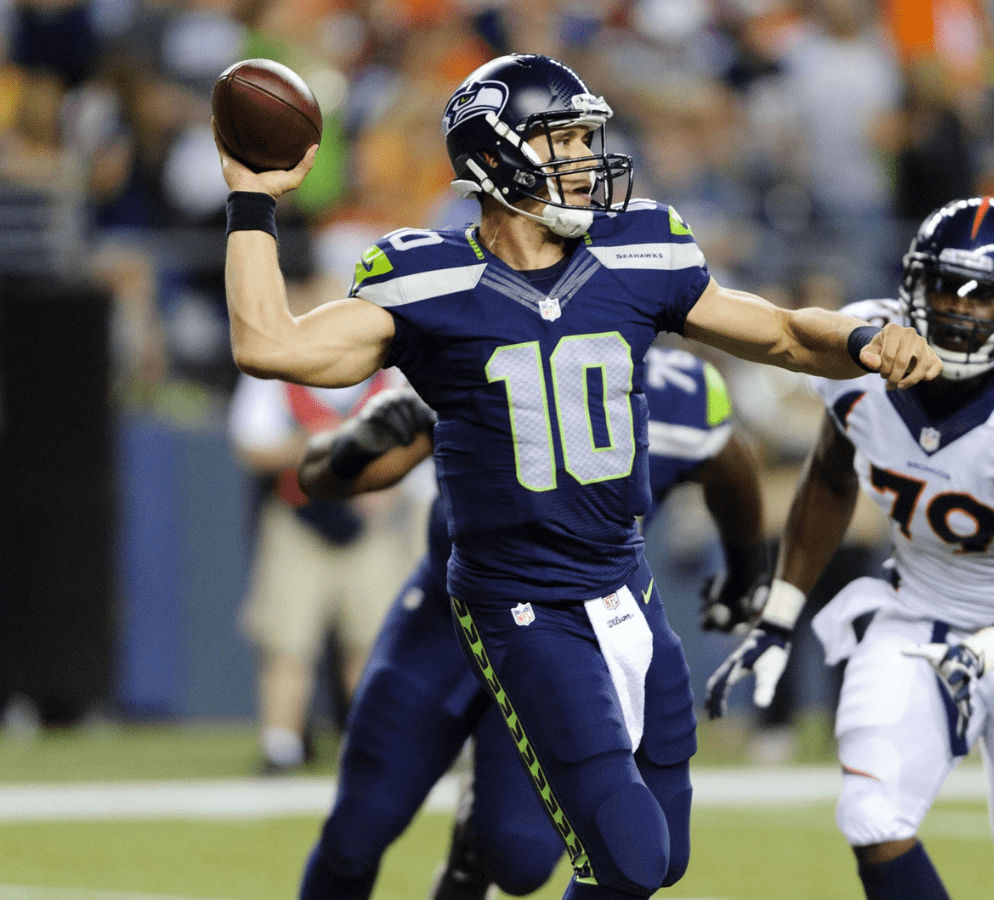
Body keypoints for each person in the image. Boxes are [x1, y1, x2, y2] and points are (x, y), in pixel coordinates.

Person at [216, 52, 939, 900]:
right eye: (558, 140)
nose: (585, 159)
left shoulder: (640, 251)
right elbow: (270, 344)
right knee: (619, 854)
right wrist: (252, 199)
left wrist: (859, 339)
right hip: (518, 600)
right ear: (493, 158)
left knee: (659, 858)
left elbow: (778, 330)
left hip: (623, 589)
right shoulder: (427, 278)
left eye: (584, 137)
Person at [707, 197, 994, 900]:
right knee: (870, 814)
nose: (959, 310)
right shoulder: (867, 351)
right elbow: (830, 479)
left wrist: (983, 651)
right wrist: (779, 613)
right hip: (915, 610)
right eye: (944, 286)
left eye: (985, 295)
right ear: (911, 284)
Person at [295, 346, 764, 900]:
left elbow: (732, 469)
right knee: (358, 830)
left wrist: (745, 575)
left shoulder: (678, 393)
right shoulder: (479, 344)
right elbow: (324, 477)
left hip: (555, 643)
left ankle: (472, 851)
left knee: (518, 858)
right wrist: (353, 448)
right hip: (446, 624)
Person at [228, 369, 429, 773]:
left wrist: (388, 486)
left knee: (373, 643)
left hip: (369, 523)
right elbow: (250, 445)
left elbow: (423, 438)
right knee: (286, 643)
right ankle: (281, 747)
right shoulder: (280, 369)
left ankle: (370, 748)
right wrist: (311, 442)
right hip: (301, 518)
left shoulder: (392, 372)